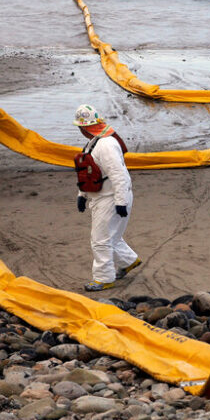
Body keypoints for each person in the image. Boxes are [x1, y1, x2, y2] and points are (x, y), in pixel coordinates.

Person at [72, 104, 141, 291]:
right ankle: (129, 261)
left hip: (110, 198)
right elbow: (88, 173)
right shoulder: (93, 143)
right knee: (112, 237)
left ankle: (104, 278)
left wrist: (120, 202)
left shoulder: (105, 145)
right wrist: (82, 195)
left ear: (84, 128)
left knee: (100, 240)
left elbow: (119, 175)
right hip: (104, 196)